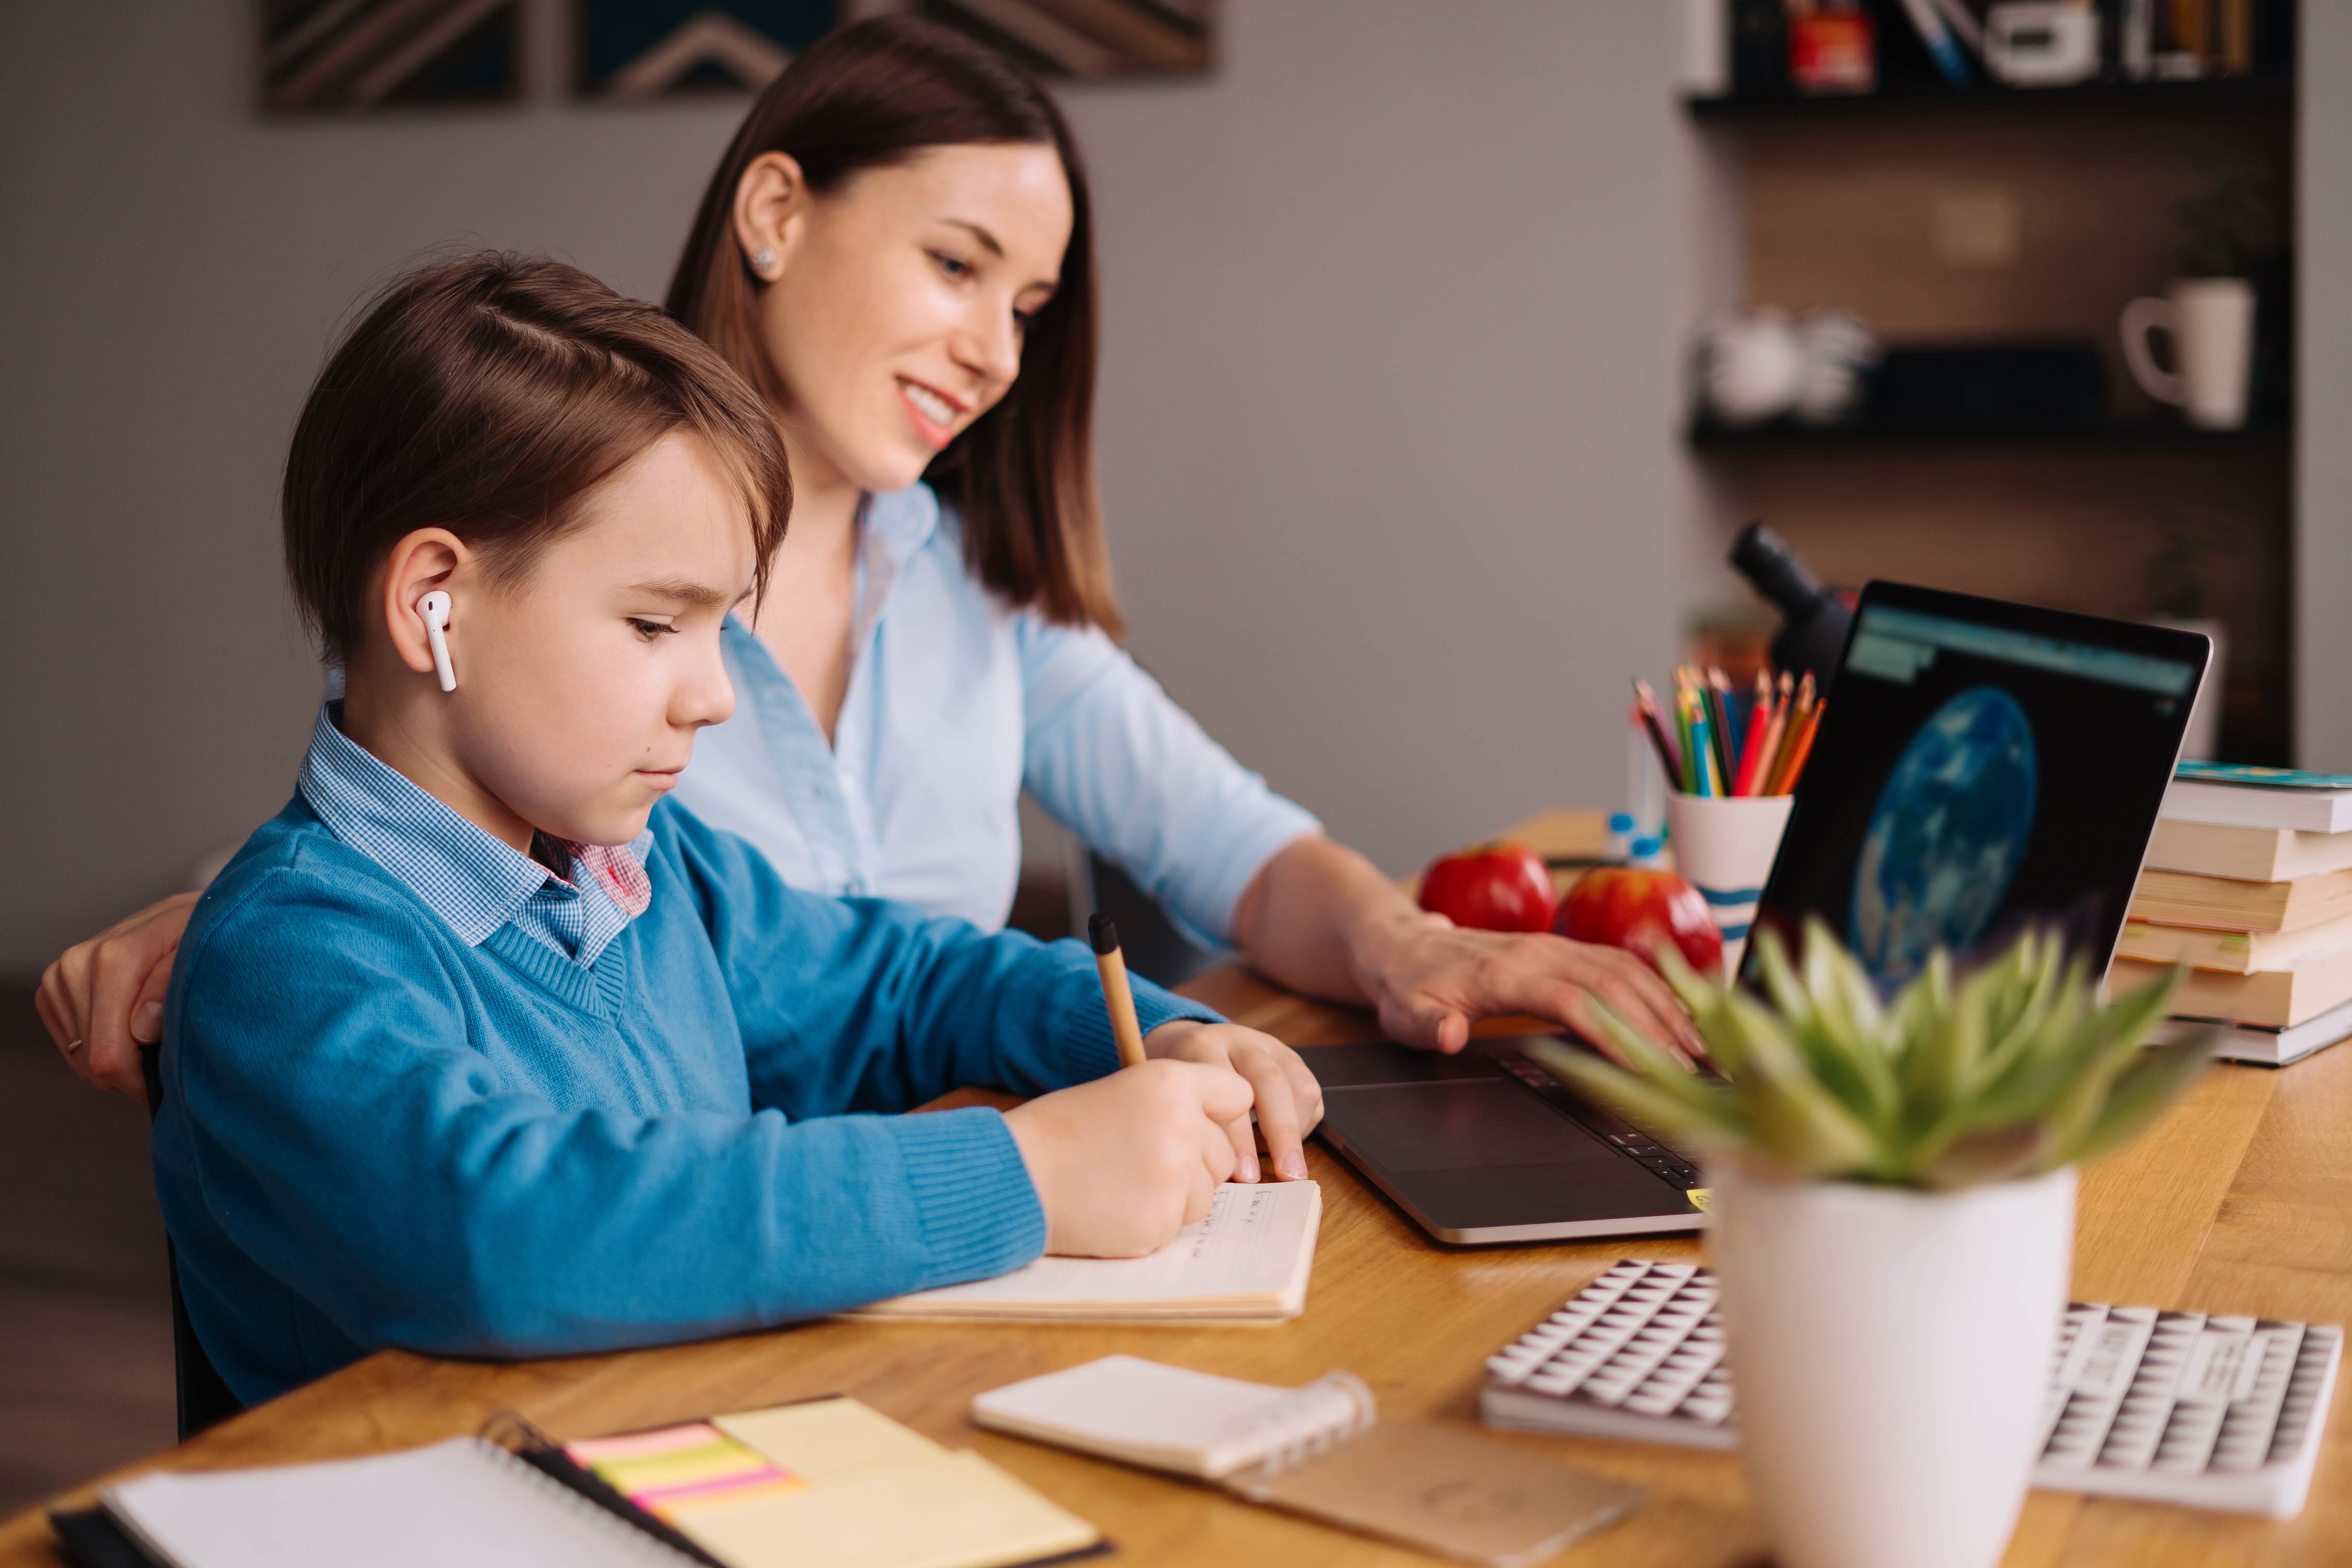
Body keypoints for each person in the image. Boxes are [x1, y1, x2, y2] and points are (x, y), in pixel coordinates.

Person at [38, 17, 1701, 1108]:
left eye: (1029, 311)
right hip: (689, 1252)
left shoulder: (979, 592)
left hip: (940, 1215)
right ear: (775, 213)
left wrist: (1410, 946)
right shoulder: (540, 551)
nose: (993, 352)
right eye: (957, 265)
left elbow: (1236, 852)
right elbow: (412, 837)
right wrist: (230, 909)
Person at [163, 252, 1321, 1407]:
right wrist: (1026, 1174)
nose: (714, 695)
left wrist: (1149, 1036)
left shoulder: (654, 877)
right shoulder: (290, 955)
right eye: (655, 622)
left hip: (696, 1452)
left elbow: (901, 985)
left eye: (723, 629)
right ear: (433, 605)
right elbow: (504, 1233)